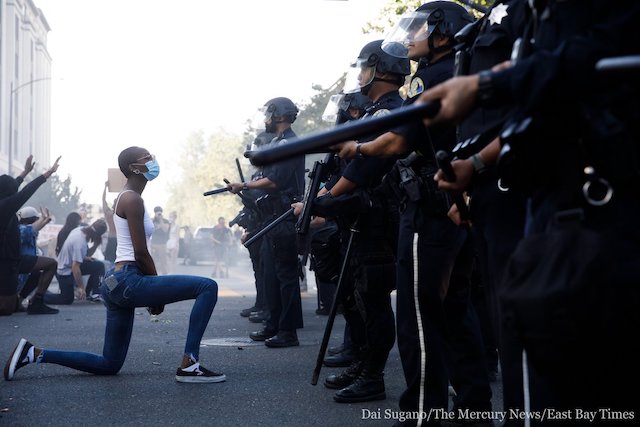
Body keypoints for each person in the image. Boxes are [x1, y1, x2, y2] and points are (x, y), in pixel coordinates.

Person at [417, 0, 640, 420]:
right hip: (551, 200)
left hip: (609, 202)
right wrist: (478, 163)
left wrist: (489, 87)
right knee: (542, 353)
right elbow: (535, 108)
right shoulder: (527, 12)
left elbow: (601, 56)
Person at [337, 2, 491, 423]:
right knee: (456, 312)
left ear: (442, 34)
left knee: (419, 318)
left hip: (430, 209)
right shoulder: (459, 73)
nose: (412, 36)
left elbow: (399, 141)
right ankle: (475, 405)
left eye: (421, 28)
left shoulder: (436, 78)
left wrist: (360, 147)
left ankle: (425, 411)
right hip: (451, 208)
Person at [5, 146, 225, 384]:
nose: (153, 161)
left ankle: (33, 353)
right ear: (133, 168)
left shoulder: (129, 197)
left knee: (109, 364)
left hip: (117, 282)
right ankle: (190, 364)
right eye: (147, 158)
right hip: (129, 279)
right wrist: (156, 296)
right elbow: (140, 253)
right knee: (207, 287)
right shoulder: (132, 199)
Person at [310, 39, 409, 403]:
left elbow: (363, 167)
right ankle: (365, 364)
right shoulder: (376, 111)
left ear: (379, 69)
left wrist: (327, 198)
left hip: (381, 219)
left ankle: (373, 376)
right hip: (365, 217)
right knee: (362, 296)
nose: (360, 75)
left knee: (375, 297)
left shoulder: (390, 111)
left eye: (364, 67)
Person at [227, 97, 305, 348]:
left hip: (284, 214)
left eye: (268, 115)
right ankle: (273, 324)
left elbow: (275, 181)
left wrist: (244, 185)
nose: (265, 120)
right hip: (272, 216)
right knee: (271, 275)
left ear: (278, 115)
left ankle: (288, 331)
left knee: (285, 276)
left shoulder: (289, 143)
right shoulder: (277, 142)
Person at [0, 155, 60, 316]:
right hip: (5, 264)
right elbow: (25, 192)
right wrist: (47, 174)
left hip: (16, 259)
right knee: (7, 310)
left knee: (50, 264)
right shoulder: (4, 206)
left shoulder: (5, 201)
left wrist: (26, 172)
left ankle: (37, 302)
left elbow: (15, 185)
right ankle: (14, 302)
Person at [45, 219, 108, 304]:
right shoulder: (80, 242)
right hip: (65, 270)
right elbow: (75, 268)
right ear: (96, 235)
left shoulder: (81, 230)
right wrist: (81, 287)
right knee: (66, 299)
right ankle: (41, 296)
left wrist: (94, 246)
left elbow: (87, 253)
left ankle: (95, 293)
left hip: (71, 264)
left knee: (99, 266)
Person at [16, 206, 59, 314]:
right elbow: (30, 230)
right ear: (32, 220)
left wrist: (45, 220)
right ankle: (36, 302)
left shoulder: (25, 232)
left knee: (37, 273)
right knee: (51, 264)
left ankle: (19, 301)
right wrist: (44, 219)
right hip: (13, 273)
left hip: (17, 276)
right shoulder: (21, 230)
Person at [150, 206, 170, 275]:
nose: (158, 214)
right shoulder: (151, 221)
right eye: (157, 213)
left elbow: (165, 230)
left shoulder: (165, 221)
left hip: (162, 244)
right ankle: (153, 274)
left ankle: (164, 274)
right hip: (153, 244)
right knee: (153, 261)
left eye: (160, 213)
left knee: (163, 261)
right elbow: (149, 229)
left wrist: (161, 220)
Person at [102, 181, 118, 265]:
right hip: (114, 239)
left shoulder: (111, 214)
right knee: (112, 261)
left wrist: (105, 187)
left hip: (114, 239)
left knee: (111, 261)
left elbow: (103, 201)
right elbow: (103, 201)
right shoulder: (111, 214)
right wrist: (105, 188)